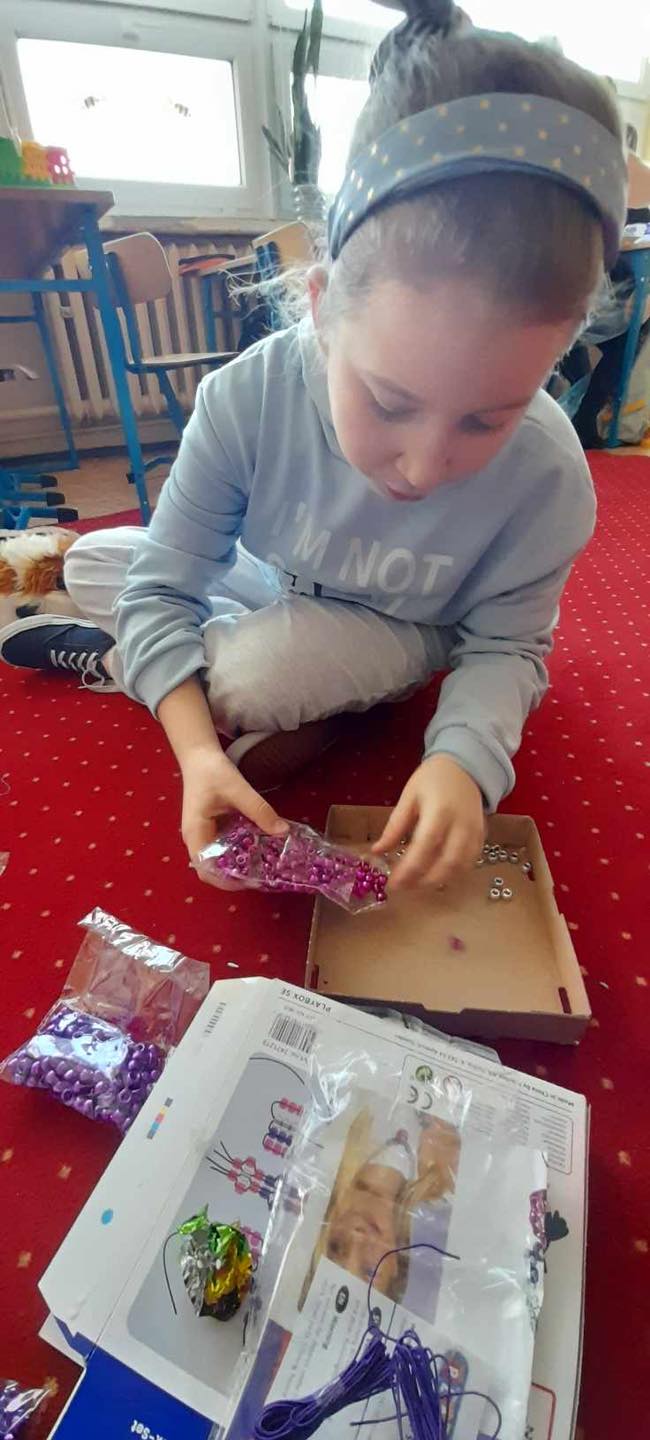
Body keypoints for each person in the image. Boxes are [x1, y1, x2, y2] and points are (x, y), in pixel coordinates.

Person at [0, 2, 627, 893]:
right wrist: (197, 756)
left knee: (245, 678)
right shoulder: (245, 396)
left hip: (403, 629)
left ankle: (187, 674)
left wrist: (461, 762)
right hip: (277, 582)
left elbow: (506, 648)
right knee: (100, 561)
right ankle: (186, 673)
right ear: (324, 306)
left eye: (489, 420)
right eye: (390, 402)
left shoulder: (548, 476)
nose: (423, 468)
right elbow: (165, 581)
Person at [298, 1108, 460, 1306]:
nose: (357, 1236)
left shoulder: (324, 1133)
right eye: (370, 1271)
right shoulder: (451, 1179)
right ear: (396, 1267)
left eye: (336, 1246)